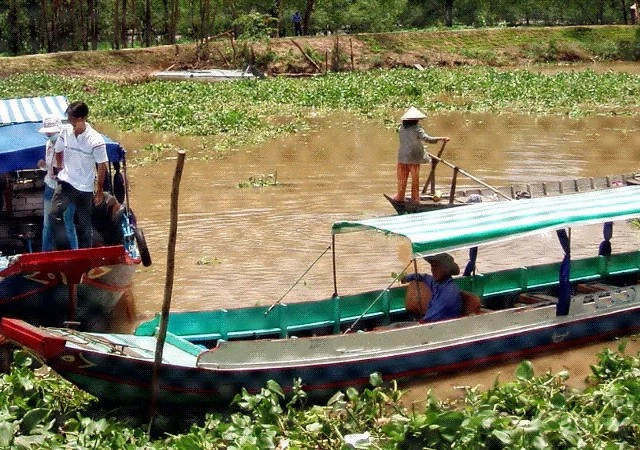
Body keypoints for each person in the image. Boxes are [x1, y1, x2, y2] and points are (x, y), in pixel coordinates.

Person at [50, 102, 109, 249]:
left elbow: (101, 166)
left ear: (83, 118)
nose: (71, 122)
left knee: (84, 225)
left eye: (74, 119)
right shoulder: (65, 132)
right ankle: (64, 249)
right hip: (66, 182)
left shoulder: (95, 140)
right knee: (54, 214)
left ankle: (85, 253)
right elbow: (58, 150)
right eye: (70, 118)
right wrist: (59, 168)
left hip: (84, 187)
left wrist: (99, 190)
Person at [37, 116, 78, 251]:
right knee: (47, 224)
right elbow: (50, 167)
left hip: (66, 188)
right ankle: (45, 253)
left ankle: (75, 252)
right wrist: (43, 166)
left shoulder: (69, 145)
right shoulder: (48, 144)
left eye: (52, 132)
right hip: (50, 186)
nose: (49, 135)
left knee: (68, 223)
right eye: (47, 133)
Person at [394, 106, 449, 203]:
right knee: (415, 180)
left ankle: (400, 197)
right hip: (414, 157)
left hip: (402, 157)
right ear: (415, 120)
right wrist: (441, 138)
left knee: (402, 179)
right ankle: (415, 198)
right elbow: (427, 139)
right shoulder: (417, 129)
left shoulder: (401, 128)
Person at [402, 253, 462, 323]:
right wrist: (405, 278)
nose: (433, 270)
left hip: (440, 327)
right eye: (432, 266)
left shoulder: (449, 292)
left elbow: (431, 318)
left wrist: (418, 324)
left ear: (446, 268)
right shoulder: (436, 283)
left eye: (436, 266)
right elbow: (424, 277)